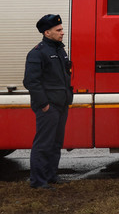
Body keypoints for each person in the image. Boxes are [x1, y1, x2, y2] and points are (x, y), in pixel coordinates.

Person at [22, 14, 73, 189]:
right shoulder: (38, 53)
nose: (62, 32)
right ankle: (38, 181)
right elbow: (31, 81)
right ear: (47, 32)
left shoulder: (59, 50)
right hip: (48, 107)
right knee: (43, 144)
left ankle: (51, 175)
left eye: (61, 29)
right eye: (58, 30)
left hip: (61, 104)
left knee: (56, 143)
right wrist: (44, 104)